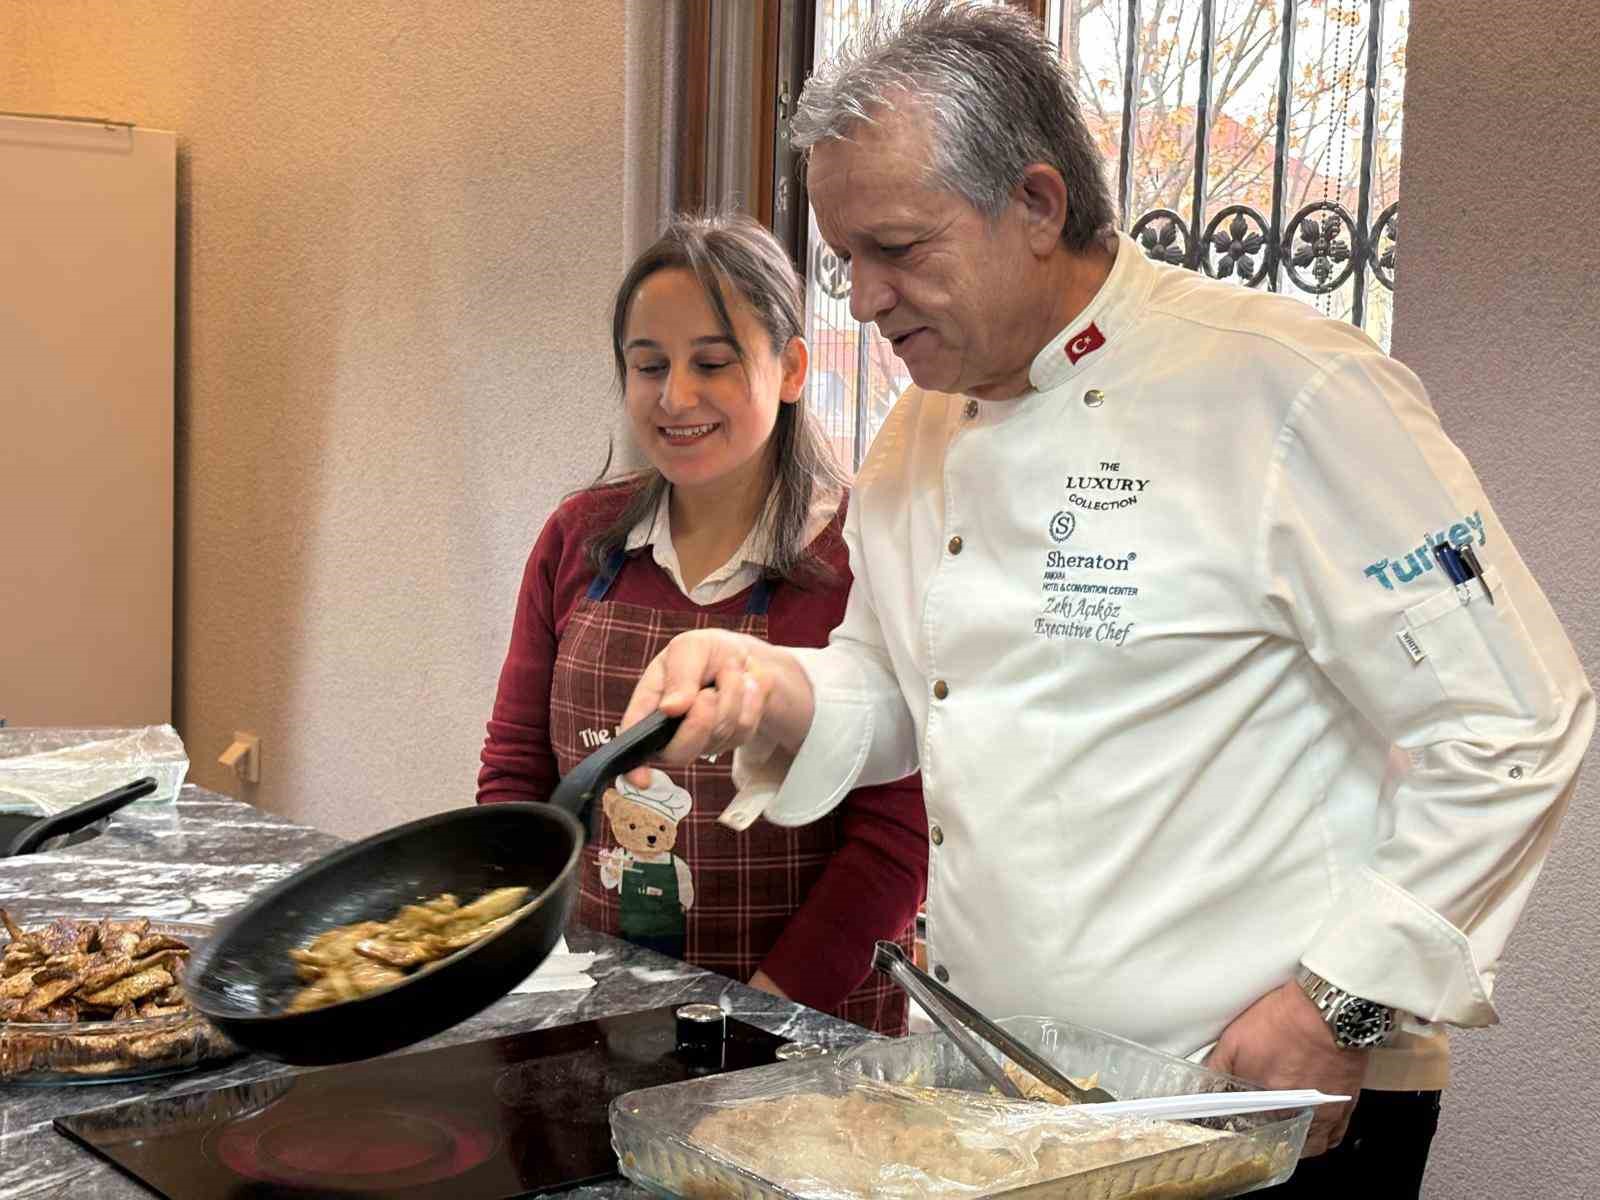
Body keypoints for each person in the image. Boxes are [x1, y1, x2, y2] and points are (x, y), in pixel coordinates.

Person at [617, 2, 1595, 1192]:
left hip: (1242, 1102)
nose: (863, 298)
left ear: (1034, 203)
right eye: (844, 260)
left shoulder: (1284, 391)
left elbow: (1510, 719)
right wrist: (770, 687)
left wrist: (1339, 1000)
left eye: (900, 249)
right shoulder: (917, 434)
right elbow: (900, 690)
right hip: (1002, 1096)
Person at [477, 212, 926, 1036]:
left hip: (803, 1034)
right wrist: (519, 956)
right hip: (594, 1011)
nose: (675, 396)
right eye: (649, 366)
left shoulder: (865, 552)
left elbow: (896, 843)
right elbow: (516, 774)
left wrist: (758, 1013)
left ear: (790, 368)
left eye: (712, 363)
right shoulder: (579, 538)